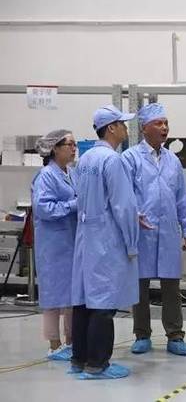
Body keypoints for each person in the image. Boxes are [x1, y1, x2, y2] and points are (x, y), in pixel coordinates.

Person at [70, 105, 140, 380]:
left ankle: (79, 360)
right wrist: (132, 242)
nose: (125, 128)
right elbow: (123, 206)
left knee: (83, 299)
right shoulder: (113, 160)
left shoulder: (86, 159)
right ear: (111, 128)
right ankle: (98, 364)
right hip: (106, 239)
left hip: (86, 237)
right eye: (122, 123)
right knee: (103, 302)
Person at [122, 103, 186, 357]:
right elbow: (123, 195)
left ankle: (175, 335)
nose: (164, 128)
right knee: (139, 285)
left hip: (168, 231)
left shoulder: (173, 160)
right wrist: (133, 216)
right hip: (141, 231)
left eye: (166, 123)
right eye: (159, 123)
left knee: (171, 285)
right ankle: (142, 334)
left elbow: (181, 197)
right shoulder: (130, 158)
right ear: (144, 128)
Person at [32, 129, 77, 360]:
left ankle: (71, 341)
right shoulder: (46, 176)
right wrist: (73, 205)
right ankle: (54, 344)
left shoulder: (71, 173)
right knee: (52, 295)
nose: (74, 148)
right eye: (69, 144)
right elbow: (44, 209)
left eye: (74, 144)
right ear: (55, 149)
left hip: (70, 242)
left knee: (71, 294)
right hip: (52, 244)